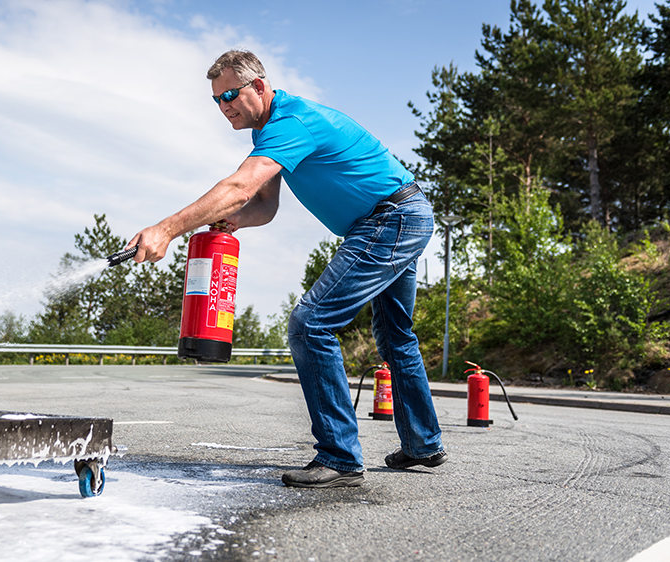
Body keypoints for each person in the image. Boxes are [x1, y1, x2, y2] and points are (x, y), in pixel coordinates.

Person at [127, 50, 446, 488]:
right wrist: (236, 220)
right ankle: (423, 444)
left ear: (258, 86)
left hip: (389, 218)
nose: (224, 107)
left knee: (310, 322)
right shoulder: (270, 134)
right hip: (400, 216)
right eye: (216, 100)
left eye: (231, 95)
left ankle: (339, 456)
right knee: (394, 333)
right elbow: (264, 205)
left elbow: (239, 185)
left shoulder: (290, 123)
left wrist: (166, 229)